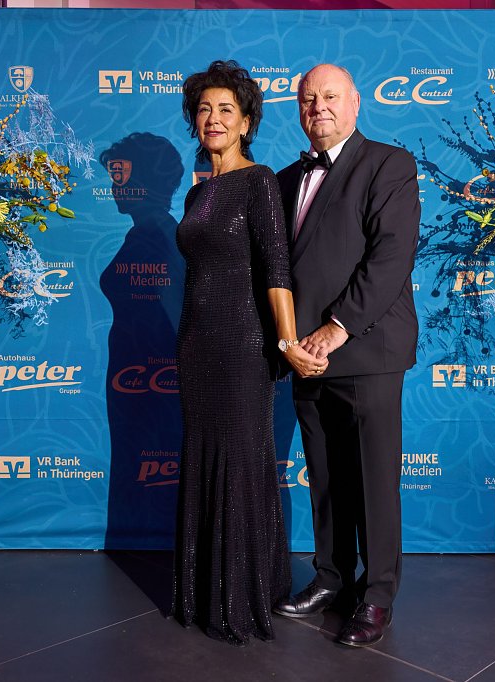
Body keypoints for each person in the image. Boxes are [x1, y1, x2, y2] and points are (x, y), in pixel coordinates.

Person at [170, 60, 327, 645]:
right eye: (204, 109)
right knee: (204, 457)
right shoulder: (197, 192)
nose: (213, 118)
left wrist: (286, 341)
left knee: (241, 462)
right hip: (196, 344)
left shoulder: (258, 182)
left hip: (243, 346)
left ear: (245, 123)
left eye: (225, 110)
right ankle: (202, 591)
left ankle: (242, 595)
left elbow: (276, 269)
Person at [273, 63, 420, 648]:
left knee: (374, 481)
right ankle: (331, 577)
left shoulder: (388, 164)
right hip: (305, 357)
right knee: (326, 477)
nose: (319, 108)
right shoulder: (285, 179)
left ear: (356, 103)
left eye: (330, 96)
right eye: (308, 99)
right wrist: (290, 343)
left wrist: (335, 330)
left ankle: (377, 595)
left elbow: (390, 258)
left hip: (366, 348)